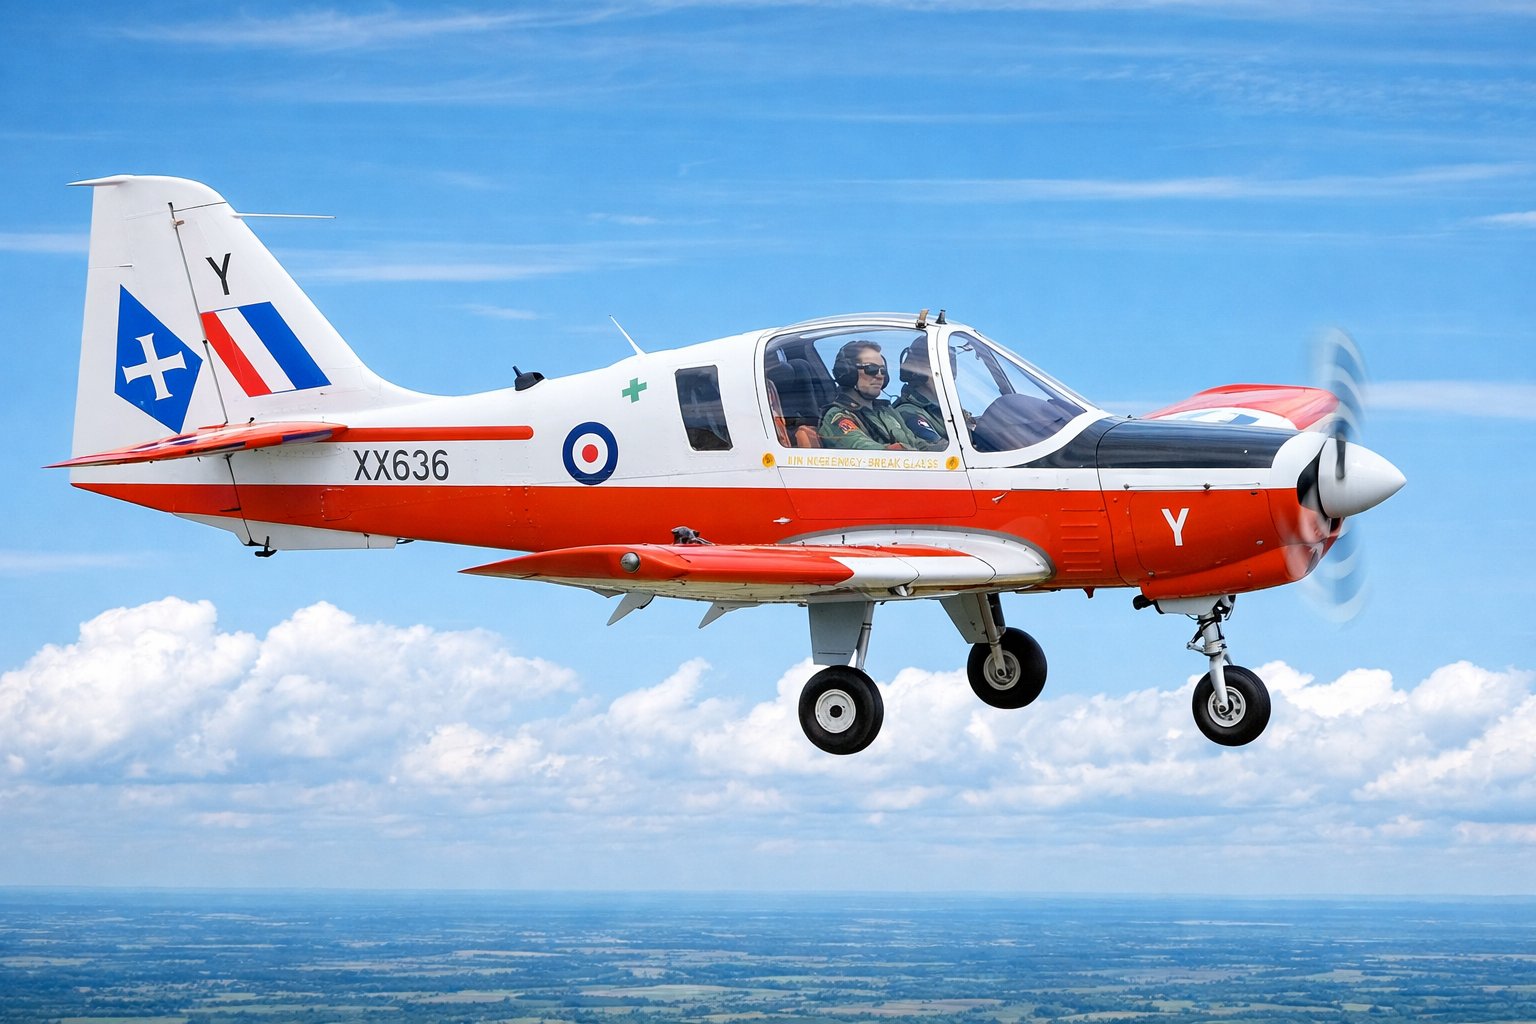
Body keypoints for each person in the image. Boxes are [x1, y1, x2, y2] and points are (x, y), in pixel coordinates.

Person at [818, 341, 943, 451]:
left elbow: (919, 444)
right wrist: (906, 451)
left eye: (882, 370)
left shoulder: (886, 412)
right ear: (848, 372)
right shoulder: (838, 417)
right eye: (871, 369)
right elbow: (872, 453)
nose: (879, 375)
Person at [892, 341, 948, 445]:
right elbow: (940, 448)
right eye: (939, 369)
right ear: (919, 372)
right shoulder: (908, 412)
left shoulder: (940, 409)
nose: (949, 378)